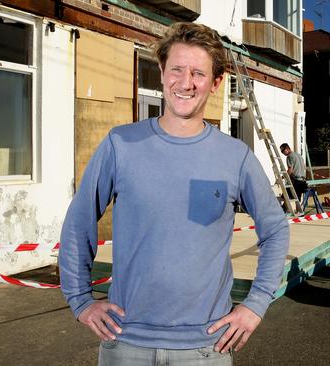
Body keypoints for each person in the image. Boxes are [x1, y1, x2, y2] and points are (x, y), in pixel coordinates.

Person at [59, 22, 290, 365]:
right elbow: (79, 223)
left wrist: (255, 306)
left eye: (198, 72)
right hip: (125, 343)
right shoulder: (120, 144)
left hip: (206, 347)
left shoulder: (235, 156)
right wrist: (80, 298)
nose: (186, 82)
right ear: (162, 73)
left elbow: (276, 228)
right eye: (177, 70)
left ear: (215, 82)